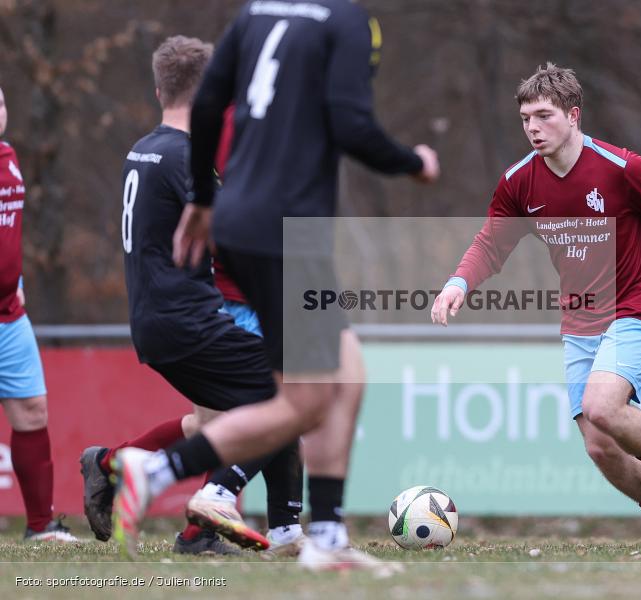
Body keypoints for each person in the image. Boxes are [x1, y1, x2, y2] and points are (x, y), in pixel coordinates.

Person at [111, 0, 439, 572]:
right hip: (284, 233)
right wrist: (414, 162)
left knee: (341, 378)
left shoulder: (256, 13)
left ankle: (326, 534)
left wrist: (205, 201)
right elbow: (352, 124)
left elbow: (206, 103)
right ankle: (162, 472)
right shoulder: (346, 21)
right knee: (308, 398)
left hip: (246, 225)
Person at [430, 63, 641, 550]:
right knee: (601, 447)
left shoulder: (623, 170)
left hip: (638, 305)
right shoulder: (519, 182)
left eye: (544, 116)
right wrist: (459, 281)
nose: (533, 128)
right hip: (580, 317)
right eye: (525, 119)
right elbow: (491, 244)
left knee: (602, 405)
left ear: (573, 115)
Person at [98, 35, 306, 557]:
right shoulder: (188, 156)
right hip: (188, 320)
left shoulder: (141, 149)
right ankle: (216, 496)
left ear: (158, 89)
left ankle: (283, 534)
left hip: (155, 320)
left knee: (257, 403)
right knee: (289, 396)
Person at [0, 87, 78, 543]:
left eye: (1, 104)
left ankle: (39, 527)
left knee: (32, 411)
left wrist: (18, 280)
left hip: (10, 315)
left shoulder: (8, 157)